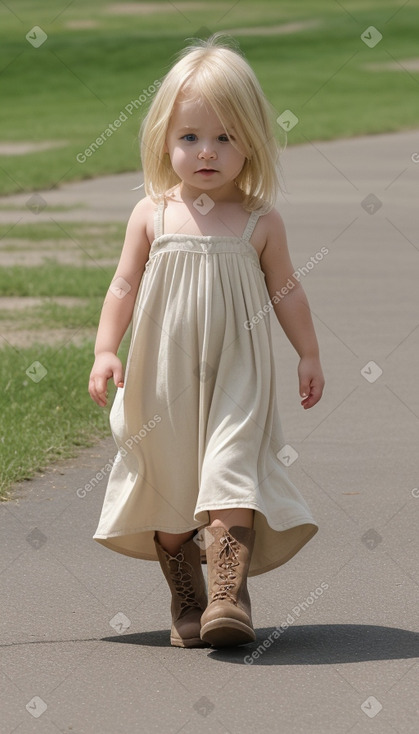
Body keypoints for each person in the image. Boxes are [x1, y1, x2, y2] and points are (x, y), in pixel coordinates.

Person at [89, 33, 325, 649]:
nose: (206, 152)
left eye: (226, 137)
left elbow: (288, 292)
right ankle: (185, 591)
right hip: (163, 378)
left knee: (230, 470)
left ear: (251, 141)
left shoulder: (259, 221)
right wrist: (106, 349)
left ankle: (227, 593)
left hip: (238, 374)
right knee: (170, 486)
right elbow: (122, 285)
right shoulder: (152, 214)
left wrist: (308, 352)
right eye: (190, 137)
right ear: (164, 141)